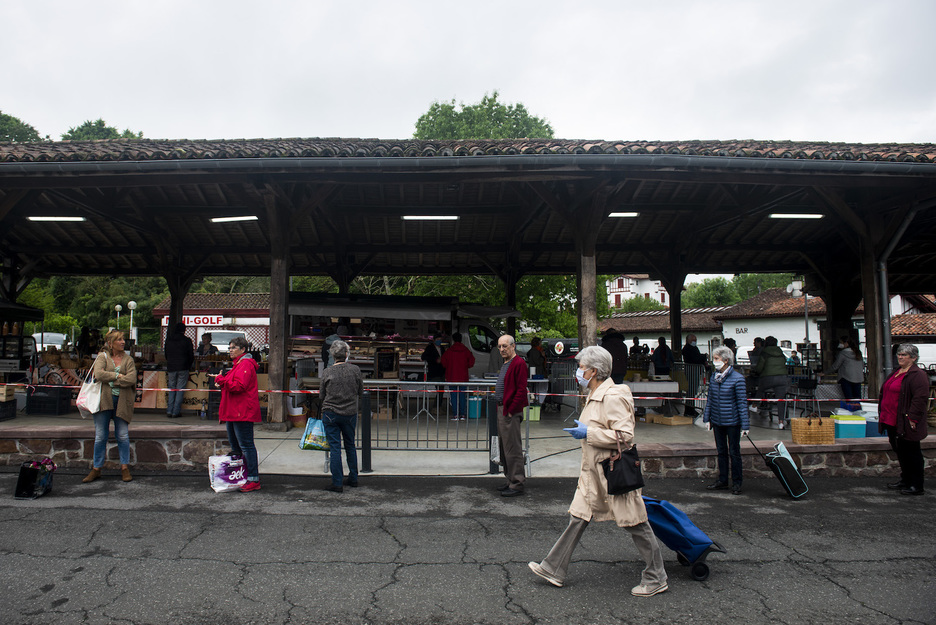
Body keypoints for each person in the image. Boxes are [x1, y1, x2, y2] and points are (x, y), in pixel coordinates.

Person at [529, 345, 668, 597]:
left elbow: (625, 436)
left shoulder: (613, 395)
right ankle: (553, 568)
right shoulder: (595, 393)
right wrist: (585, 430)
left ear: (594, 371)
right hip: (593, 473)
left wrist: (588, 433)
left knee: (635, 523)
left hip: (613, 473)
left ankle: (656, 577)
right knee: (578, 518)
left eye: (581, 368)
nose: (578, 372)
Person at [82, 330, 137, 484]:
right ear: (110, 343)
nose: (123, 342)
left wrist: (113, 380)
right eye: (119, 339)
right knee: (100, 436)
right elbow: (99, 374)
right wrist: (118, 376)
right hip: (103, 401)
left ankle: (125, 468)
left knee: (123, 436)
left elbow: (132, 379)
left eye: (123, 339)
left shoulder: (128, 360)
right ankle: (96, 468)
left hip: (122, 402)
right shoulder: (102, 357)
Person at [212, 336, 262, 492]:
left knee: (246, 446)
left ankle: (253, 478)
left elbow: (239, 386)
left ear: (243, 349)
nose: (230, 350)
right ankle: (242, 475)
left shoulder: (245, 364)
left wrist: (221, 380)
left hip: (242, 411)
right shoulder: (239, 365)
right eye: (230, 348)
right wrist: (222, 380)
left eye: (233, 347)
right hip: (235, 411)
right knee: (237, 447)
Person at [878, 344, 929, 496]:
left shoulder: (918, 375)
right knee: (900, 451)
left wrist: (913, 418)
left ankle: (916, 484)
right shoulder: (896, 372)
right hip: (892, 419)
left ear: (913, 358)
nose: (900, 357)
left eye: (904, 355)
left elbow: (920, 398)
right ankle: (905, 480)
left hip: (906, 421)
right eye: (899, 354)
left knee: (912, 452)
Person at [702, 346, 750, 495]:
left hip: (732, 422)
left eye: (716, 359)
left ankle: (737, 482)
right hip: (717, 420)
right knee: (721, 451)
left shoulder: (738, 379)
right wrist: (707, 417)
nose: (714, 361)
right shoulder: (714, 377)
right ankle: (722, 480)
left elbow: (742, 403)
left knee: (734, 452)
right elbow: (710, 399)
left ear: (726, 360)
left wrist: (745, 425)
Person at [319, 339, 364, 493]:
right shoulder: (355, 370)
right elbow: (360, 391)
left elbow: (321, 395)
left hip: (331, 413)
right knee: (350, 445)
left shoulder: (327, 372)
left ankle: (337, 482)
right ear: (346, 354)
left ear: (332, 355)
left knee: (335, 448)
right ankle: (353, 478)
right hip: (350, 413)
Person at [494, 335, 528, 497]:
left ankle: (516, 483)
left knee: (512, 447)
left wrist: (510, 409)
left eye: (505, 346)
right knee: (505, 446)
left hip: (510, 411)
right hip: (504, 409)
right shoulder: (507, 363)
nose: (502, 349)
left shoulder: (519, 363)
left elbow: (521, 390)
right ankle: (510, 479)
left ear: (513, 346)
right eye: (499, 346)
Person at [440, 332, 475, 420]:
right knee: (462, 396)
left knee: (454, 396)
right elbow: (471, 362)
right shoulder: (466, 350)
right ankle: (462, 414)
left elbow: (443, 362)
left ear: (453, 340)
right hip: (463, 377)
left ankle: (455, 414)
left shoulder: (449, 351)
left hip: (452, 377)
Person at [164, 322, 194, 419]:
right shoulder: (187, 340)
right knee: (180, 390)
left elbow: (166, 354)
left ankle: (169, 410)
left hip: (171, 367)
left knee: (172, 389)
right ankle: (176, 412)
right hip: (183, 367)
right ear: (184, 330)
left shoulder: (169, 340)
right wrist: (189, 365)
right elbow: (191, 355)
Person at [831, 337, 864, 401]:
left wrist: (825, 373)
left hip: (846, 378)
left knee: (849, 399)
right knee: (857, 399)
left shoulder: (843, 353)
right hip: (858, 378)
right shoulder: (858, 353)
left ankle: (850, 410)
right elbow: (862, 365)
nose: (840, 344)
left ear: (846, 343)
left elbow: (835, 366)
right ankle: (857, 410)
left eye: (841, 342)